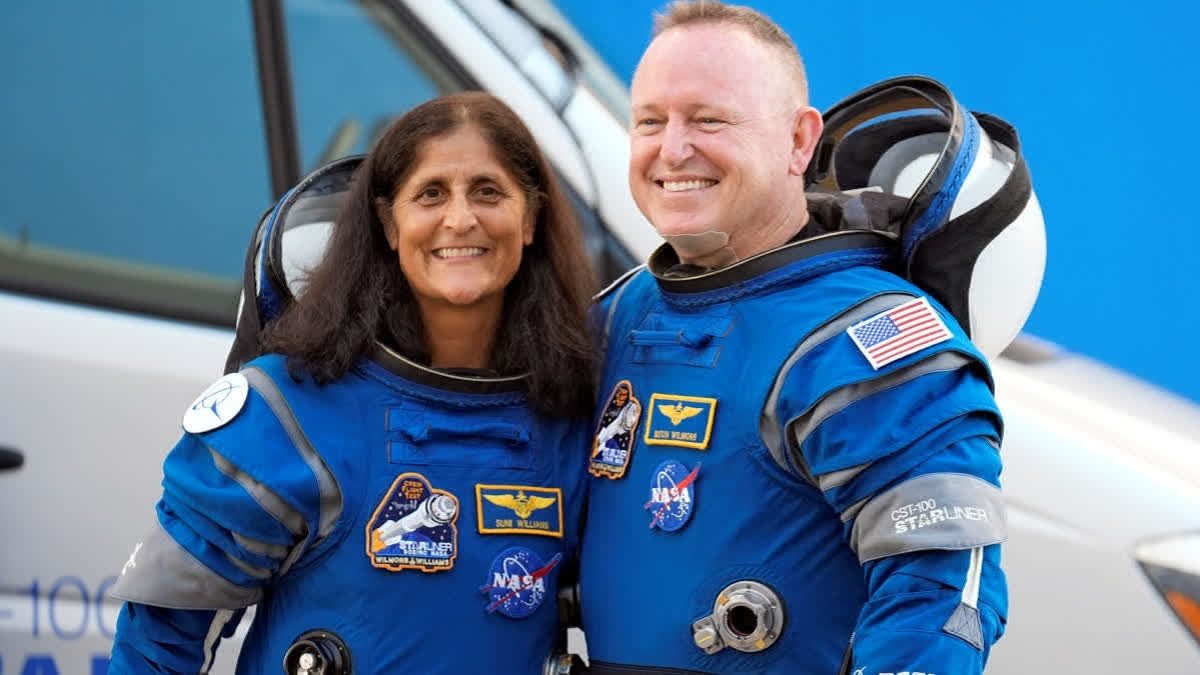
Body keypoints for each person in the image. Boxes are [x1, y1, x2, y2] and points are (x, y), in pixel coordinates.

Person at [576, 2, 1009, 674]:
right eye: (650, 122)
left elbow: (943, 596)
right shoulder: (624, 312)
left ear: (800, 140)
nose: (673, 149)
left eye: (709, 118)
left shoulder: (868, 338)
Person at [107, 92, 597, 674]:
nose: (461, 218)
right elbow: (157, 641)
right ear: (390, 224)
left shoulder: (571, 416)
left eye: (488, 191)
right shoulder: (286, 412)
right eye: (431, 193)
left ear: (532, 218)